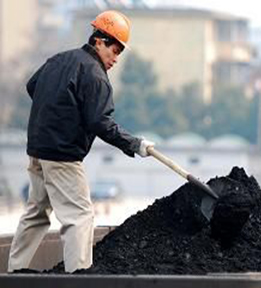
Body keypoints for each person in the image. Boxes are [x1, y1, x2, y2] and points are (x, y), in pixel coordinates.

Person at [7, 10, 154, 273]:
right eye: (114, 50)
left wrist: (56, 110)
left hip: (38, 150)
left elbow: (33, 86)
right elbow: (101, 122)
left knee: (36, 213)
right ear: (98, 40)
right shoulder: (95, 76)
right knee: (80, 216)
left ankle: (15, 273)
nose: (116, 58)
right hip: (62, 156)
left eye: (120, 52)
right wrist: (135, 144)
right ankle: (79, 277)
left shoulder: (58, 60)